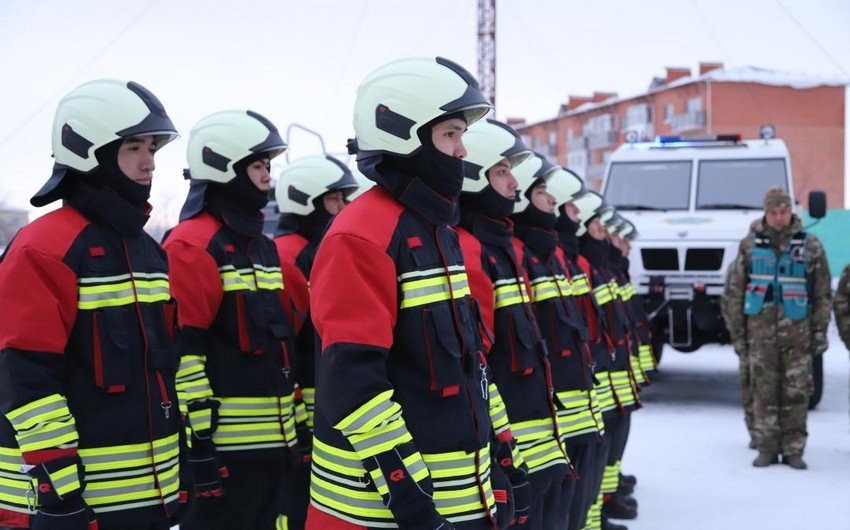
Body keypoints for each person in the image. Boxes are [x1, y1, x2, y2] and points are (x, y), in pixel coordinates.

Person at [305, 57, 497, 530]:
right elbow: (354, 381)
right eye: (450, 133)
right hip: (382, 513)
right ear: (404, 132)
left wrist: (500, 467)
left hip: (455, 501)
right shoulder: (362, 234)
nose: (461, 149)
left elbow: (467, 361)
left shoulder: (435, 229)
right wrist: (407, 493)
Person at [0, 79, 187, 530]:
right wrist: (59, 494)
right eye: (133, 149)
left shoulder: (147, 248)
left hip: (152, 500)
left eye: (152, 149)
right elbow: (25, 377)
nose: (149, 164)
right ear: (91, 154)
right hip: (74, 505)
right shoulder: (44, 248)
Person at [164, 110, 299, 528]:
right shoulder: (191, 245)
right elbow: (185, 353)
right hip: (226, 453)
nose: (267, 178)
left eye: (268, 167)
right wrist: (199, 442)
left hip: (278, 447)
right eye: (258, 166)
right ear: (223, 166)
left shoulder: (262, 247)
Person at [456, 119, 561, 529]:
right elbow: (477, 358)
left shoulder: (500, 248)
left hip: (531, 434)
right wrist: (503, 447)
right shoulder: (471, 249)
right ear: (474, 177)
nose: (513, 184)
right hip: (509, 439)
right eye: (501, 171)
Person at [273, 154, 360, 529]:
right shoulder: (292, 256)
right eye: (334, 200)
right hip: (305, 408)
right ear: (304, 199)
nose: (342, 208)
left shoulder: (313, 248)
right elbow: (295, 342)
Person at [722, 186, 831, 470]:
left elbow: (821, 295)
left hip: (798, 336)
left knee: (796, 392)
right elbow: (734, 292)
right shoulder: (750, 246)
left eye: (784, 212)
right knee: (763, 392)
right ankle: (767, 448)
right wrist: (738, 333)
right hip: (760, 336)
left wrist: (819, 333)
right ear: (766, 213)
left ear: (790, 212)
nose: (780, 218)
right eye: (774, 212)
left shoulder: (810, 246)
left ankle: (794, 449)